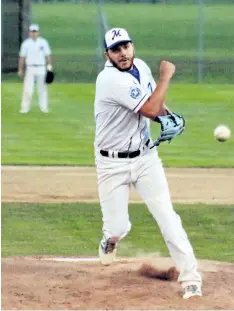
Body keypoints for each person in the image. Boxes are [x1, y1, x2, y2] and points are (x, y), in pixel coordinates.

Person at [94, 28, 202, 299]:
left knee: (168, 217)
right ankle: (110, 241)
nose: (123, 53)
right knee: (118, 227)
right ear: (107, 55)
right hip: (111, 164)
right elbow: (149, 109)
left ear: (132, 46)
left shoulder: (140, 67)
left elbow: (156, 106)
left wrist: (170, 116)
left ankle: (190, 278)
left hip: (145, 158)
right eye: (116, 50)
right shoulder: (109, 79)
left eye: (126, 46)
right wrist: (166, 76)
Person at [18, 24, 53, 113]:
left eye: (35, 32)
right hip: (30, 68)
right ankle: (24, 108)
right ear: (29, 33)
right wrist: (20, 69)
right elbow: (22, 57)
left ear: (38, 33)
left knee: (42, 89)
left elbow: (47, 55)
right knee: (28, 89)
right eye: (32, 32)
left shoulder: (43, 42)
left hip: (41, 67)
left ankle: (44, 108)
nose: (34, 34)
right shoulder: (26, 44)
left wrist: (49, 66)